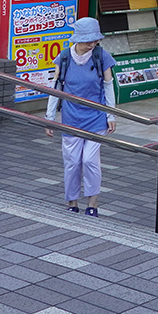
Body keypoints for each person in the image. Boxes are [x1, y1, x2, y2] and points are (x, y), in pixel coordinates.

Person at [45, 18, 118, 216]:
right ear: (78, 39)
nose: (92, 44)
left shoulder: (102, 56)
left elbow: (109, 86)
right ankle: (72, 202)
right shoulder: (64, 58)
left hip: (96, 117)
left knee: (89, 161)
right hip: (71, 117)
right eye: (88, 41)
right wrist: (49, 116)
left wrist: (111, 114)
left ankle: (93, 204)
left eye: (95, 40)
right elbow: (56, 87)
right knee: (72, 162)